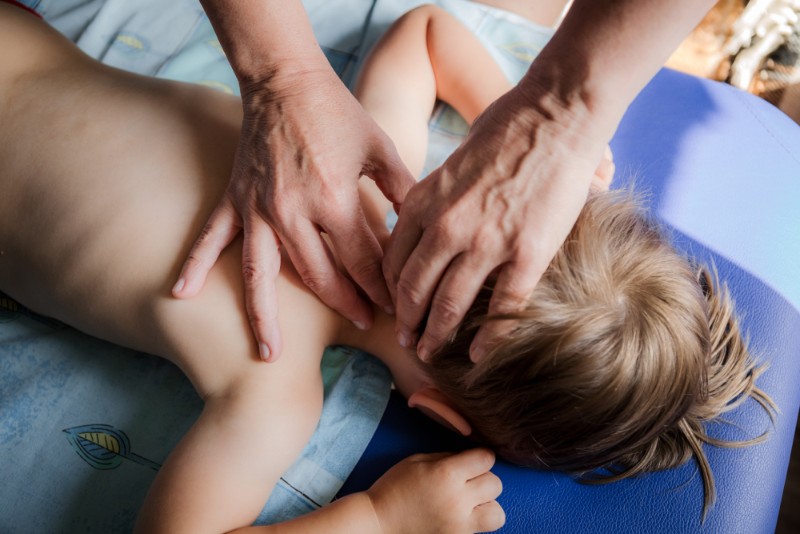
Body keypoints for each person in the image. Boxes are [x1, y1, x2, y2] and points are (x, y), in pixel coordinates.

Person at [0, 1, 770, 531]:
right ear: (439, 413)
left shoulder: (370, 176)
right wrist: (377, 518)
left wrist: (514, 121)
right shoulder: (272, 384)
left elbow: (427, 32)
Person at [179, 0, 719, 366]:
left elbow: (428, 30)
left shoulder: (370, 192)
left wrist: (542, 120)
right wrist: (543, 123)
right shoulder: (277, 371)